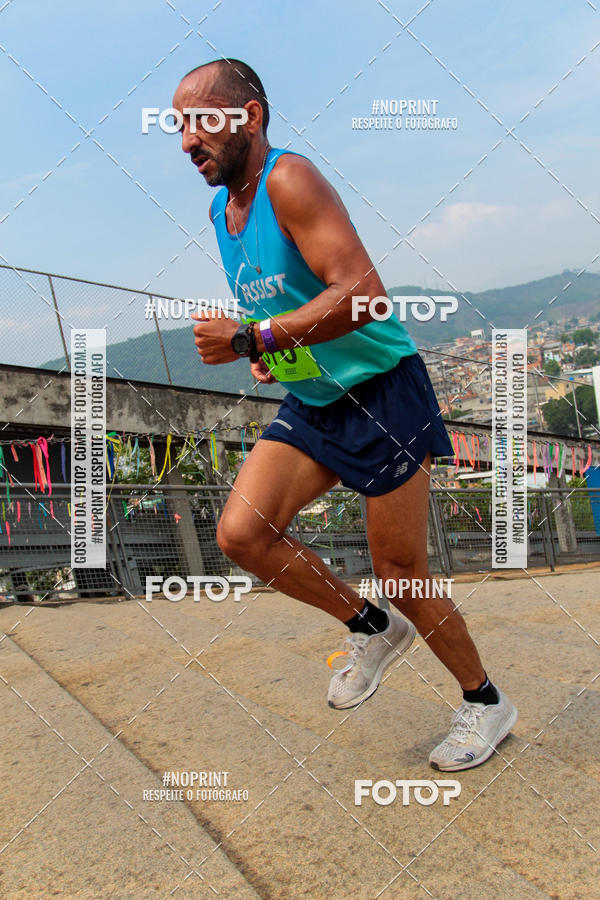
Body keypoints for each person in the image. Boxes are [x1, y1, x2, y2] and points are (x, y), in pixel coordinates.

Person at [173, 59, 517, 771]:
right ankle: (367, 625)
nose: (185, 141)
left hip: (384, 393)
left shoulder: (288, 181)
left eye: (202, 119)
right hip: (317, 399)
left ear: (251, 117)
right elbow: (280, 304)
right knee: (242, 533)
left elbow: (363, 295)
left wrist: (250, 339)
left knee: (402, 571)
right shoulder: (220, 210)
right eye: (178, 125)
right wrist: (268, 347)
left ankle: (486, 703)